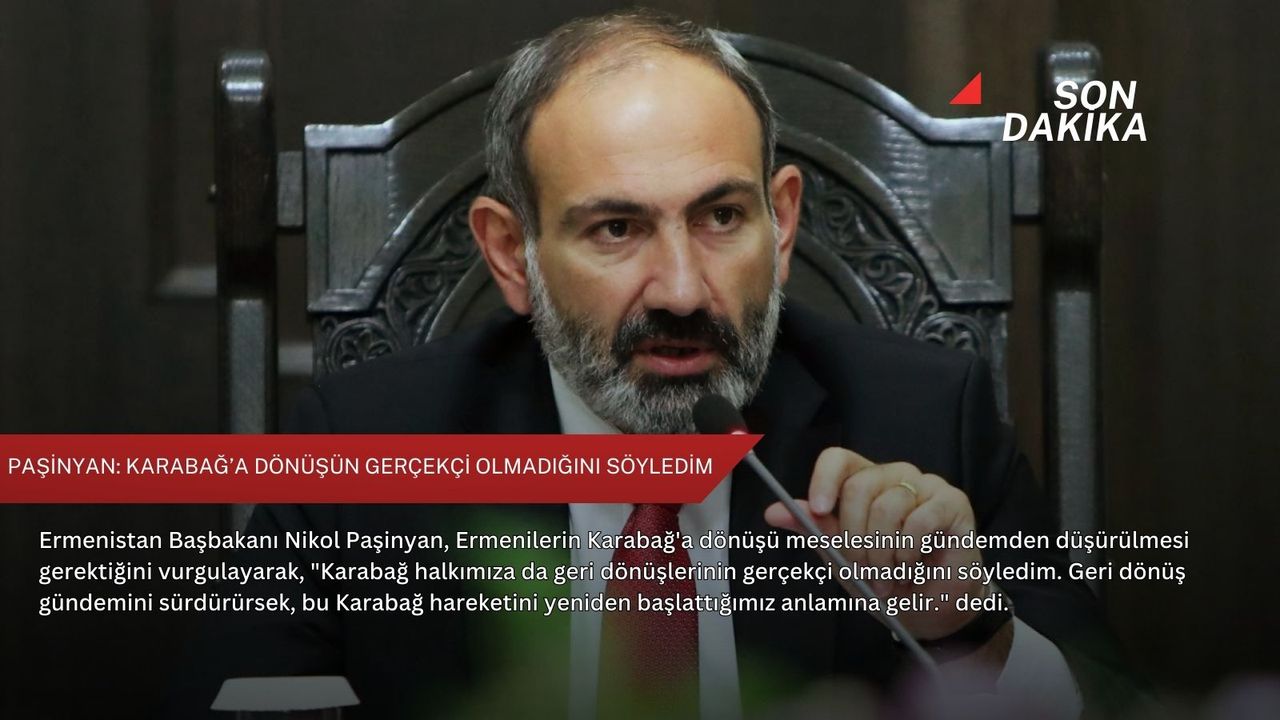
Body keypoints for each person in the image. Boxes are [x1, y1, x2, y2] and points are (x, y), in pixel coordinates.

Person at [173, 10, 1136, 719]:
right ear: (511, 253)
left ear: (782, 223)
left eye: (721, 216)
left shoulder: (924, 417)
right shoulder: (363, 449)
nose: (681, 289)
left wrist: (972, 629)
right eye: (617, 228)